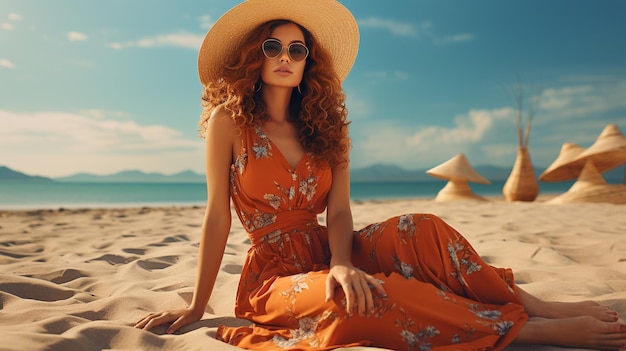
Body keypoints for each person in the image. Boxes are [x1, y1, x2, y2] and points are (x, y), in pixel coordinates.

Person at [135, 0, 626, 349]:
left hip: (331, 246)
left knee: (423, 228)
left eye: (297, 50)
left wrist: (343, 261)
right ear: (254, 55)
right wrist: (197, 307)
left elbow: (341, 210)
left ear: (310, 63)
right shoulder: (230, 123)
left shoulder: (326, 127)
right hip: (274, 274)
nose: (285, 57)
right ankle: (525, 331)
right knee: (364, 299)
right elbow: (216, 217)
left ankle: (533, 305)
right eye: (272, 46)